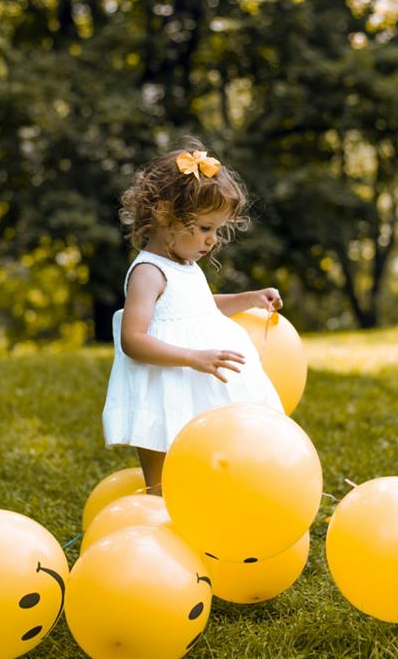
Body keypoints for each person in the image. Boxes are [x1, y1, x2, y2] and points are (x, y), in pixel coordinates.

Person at [102, 139, 284, 494]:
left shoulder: (184, 265)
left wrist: (249, 299)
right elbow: (133, 339)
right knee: (164, 483)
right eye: (205, 228)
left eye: (217, 230)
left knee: (206, 471)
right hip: (164, 388)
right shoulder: (148, 272)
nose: (213, 240)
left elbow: (199, 309)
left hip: (196, 385)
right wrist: (192, 358)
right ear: (165, 216)